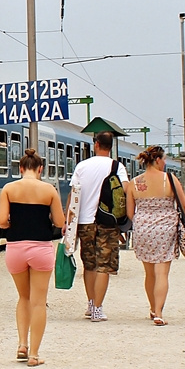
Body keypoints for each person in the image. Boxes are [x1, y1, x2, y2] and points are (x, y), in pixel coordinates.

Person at [0, 149, 65, 367]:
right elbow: (60, 222)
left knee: (23, 298)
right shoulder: (49, 190)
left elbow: (1, 219)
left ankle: (22, 344)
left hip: (15, 249)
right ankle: (34, 355)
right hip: (41, 249)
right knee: (38, 302)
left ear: (21, 168)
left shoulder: (9, 189)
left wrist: (9, 223)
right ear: (40, 169)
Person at [64, 131, 130, 322]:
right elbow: (124, 191)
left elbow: (74, 194)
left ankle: (91, 303)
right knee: (104, 266)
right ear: (110, 146)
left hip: (84, 222)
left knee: (89, 264)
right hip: (107, 222)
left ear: (96, 144)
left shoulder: (82, 166)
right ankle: (98, 310)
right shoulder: (117, 166)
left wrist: (68, 222)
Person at [127, 146, 185, 326]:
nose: (164, 163)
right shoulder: (169, 180)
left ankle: (151, 308)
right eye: (164, 159)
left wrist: (143, 221)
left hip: (142, 228)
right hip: (165, 229)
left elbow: (129, 212)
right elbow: (184, 205)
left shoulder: (134, 182)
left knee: (149, 273)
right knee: (162, 272)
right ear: (157, 160)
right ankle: (158, 313)